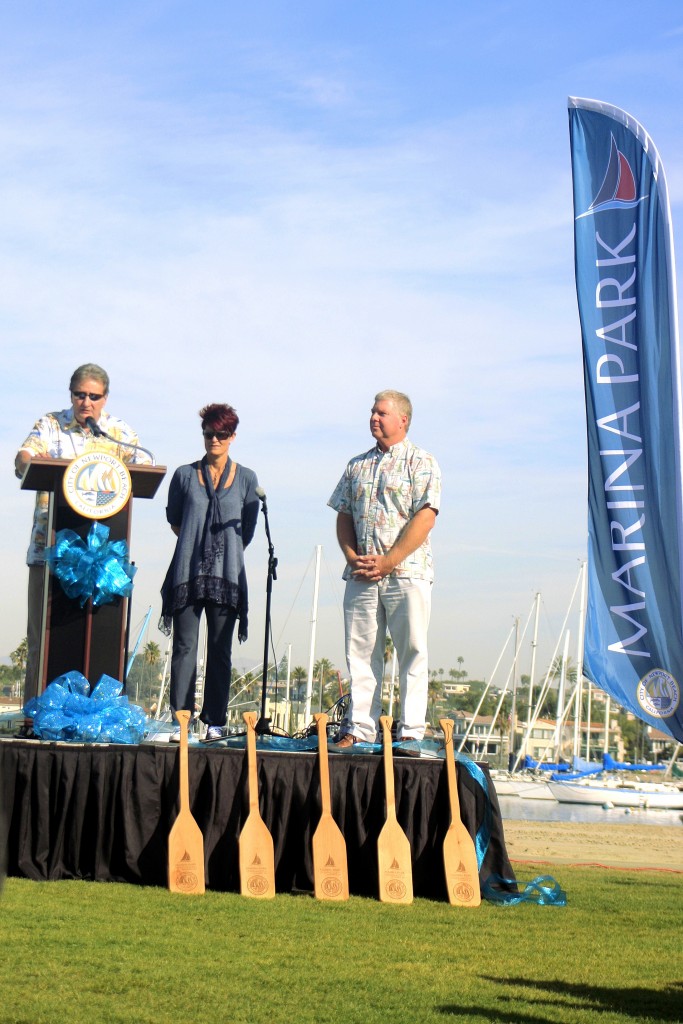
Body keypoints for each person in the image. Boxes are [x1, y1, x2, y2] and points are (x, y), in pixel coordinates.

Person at [15, 363, 150, 735]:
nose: (86, 402)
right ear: (70, 394)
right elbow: (23, 458)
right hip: (52, 550)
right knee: (42, 638)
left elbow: (145, 467)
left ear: (105, 398)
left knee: (104, 640)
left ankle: (97, 723)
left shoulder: (118, 432)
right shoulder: (51, 425)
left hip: (103, 560)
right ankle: (35, 720)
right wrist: (30, 462)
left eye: (94, 396)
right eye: (80, 395)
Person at [328, 390, 441, 752]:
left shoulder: (422, 461)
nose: (374, 418)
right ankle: (360, 728)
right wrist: (350, 555)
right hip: (361, 575)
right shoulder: (356, 465)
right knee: (361, 654)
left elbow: (426, 516)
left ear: (402, 419)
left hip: (406, 573)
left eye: (381, 413)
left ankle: (410, 731)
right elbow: (343, 514)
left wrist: (390, 559)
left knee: (412, 651)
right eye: (372, 412)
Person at [160, 403, 260, 742]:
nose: (213, 440)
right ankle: (181, 720)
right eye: (208, 434)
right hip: (188, 572)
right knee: (184, 647)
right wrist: (198, 544)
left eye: (220, 434)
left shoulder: (247, 479)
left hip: (227, 576)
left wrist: (220, 552)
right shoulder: (184, 475)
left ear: (232, 436)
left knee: (220, 650)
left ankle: (215, 721)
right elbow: (176, 521)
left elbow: (246, 531)